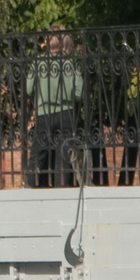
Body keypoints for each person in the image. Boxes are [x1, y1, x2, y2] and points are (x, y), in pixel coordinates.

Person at [26, 30, 82, 188]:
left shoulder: (39, 62)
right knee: (64, 155)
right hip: (66, 112)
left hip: (44, 112)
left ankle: (31, 185)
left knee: (38, 154)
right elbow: (79, 92)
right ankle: (61, 187)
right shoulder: (70, 63)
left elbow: (28, 88)